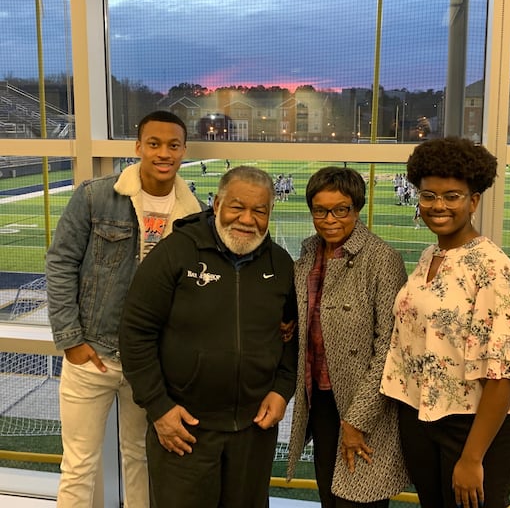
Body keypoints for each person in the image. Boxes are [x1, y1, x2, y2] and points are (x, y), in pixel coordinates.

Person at [45, 110, 202, 507]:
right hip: (92, 354)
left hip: (149, 363)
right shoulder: (96, 196)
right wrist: (71, 340)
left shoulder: (195, 215)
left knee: (142, 459)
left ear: (184, 151)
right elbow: (60, 262)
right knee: (79, 464)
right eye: (154, 144)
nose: (163, 153)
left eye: (173, 145)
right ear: (138, 148)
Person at [119, 165, 298, 508]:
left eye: (259, 211)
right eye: (237, 207)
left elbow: (291, 334)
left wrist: (282, 389)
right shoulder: (174, 253)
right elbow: (135, 333)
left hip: (253, 432)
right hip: (185, 430)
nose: (247, 219)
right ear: (216, 205)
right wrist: (159, 408)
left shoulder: (280, 265)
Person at [381, 137, 510, 508]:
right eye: (429, 195)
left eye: (452, 196)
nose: (438, 206)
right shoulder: (430, 255)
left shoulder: (494, 268)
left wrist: (472, 457)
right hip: (424, 416)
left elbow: (504, 371)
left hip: (474, 427)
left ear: (474, 201)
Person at [286, 166, 410, 508]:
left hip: (362, 407)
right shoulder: (310, 254)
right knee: (330, 497)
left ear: (356, 209)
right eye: (320, 210)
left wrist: (357, 420)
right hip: (321, 400)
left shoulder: (382, 260)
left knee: (358, 500)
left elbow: (389, 347)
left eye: (341, 209)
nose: (330, 219)